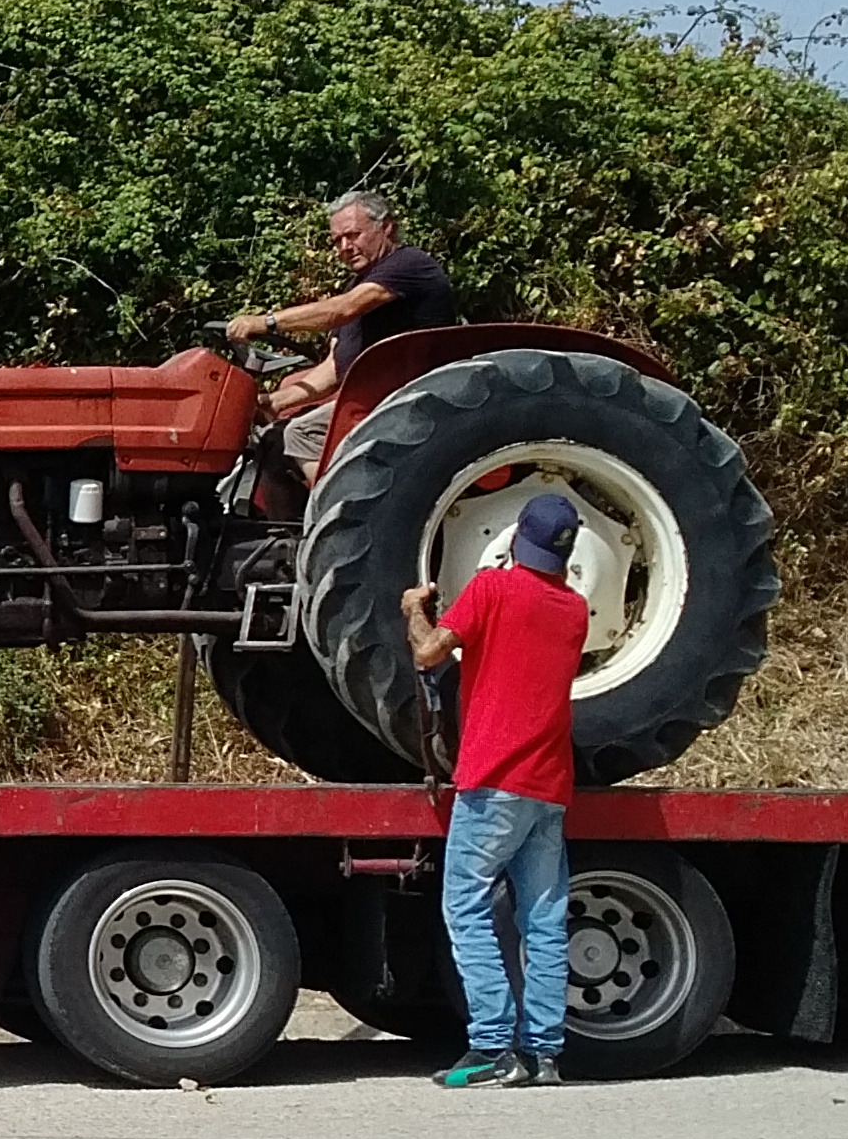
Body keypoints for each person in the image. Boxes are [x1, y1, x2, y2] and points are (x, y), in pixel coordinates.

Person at [405, 488, 589, 1086]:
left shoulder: (492, 590)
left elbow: (430, 654)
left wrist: (415, 607)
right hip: (549, 785)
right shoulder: (575, 610)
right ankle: (542, 1054)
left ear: (514, 538)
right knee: (544, 916)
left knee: (466, 904)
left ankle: (490, 1048)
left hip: (493, 779)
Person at [225, 192, 460, 447]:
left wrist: (265, 322)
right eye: (338, 240)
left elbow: (341, 309)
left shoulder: (408, 265)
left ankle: (347, 489)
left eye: (353, 235)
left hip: (410, 399)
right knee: (272, 440)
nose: (345, 247)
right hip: (373, 398)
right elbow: (334, 368)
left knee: (301, 435)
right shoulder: (355, 284)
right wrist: (276, 401)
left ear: (386, 227)